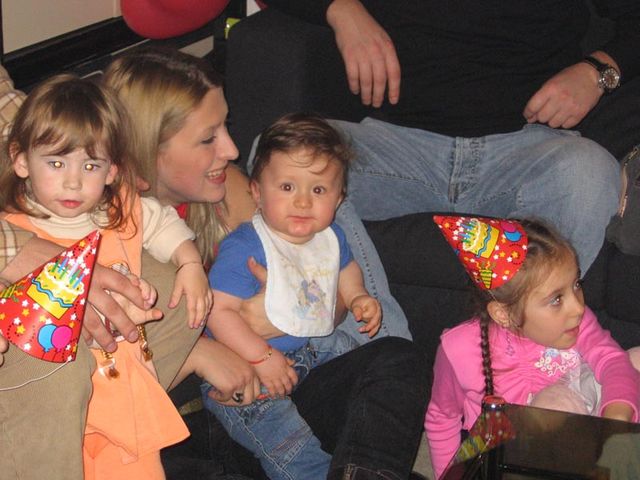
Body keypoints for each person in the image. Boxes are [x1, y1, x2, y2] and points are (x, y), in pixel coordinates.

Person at [103, 46, 429, 480]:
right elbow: (101, 392)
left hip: (287, 380)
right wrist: (201, 353)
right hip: (190, 428)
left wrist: (291, 310)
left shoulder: (233, 191)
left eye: (226, 126)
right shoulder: (103, 239)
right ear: (147, 149)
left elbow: (330, 289)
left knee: (398, 360)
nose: (231, 149)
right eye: (208, 138)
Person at [259, 0, 638, 276]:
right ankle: (374, 343)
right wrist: (341, 8)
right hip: (394, 148)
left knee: (588, 174)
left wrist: (597, 71)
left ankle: (528, 348)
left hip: (527, 149)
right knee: (277, 158)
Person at [0, 74, 216, 479]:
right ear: (21, 161)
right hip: (68, 402)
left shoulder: (118, 212)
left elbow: (162, 223)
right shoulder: (15, 228)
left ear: (112, 170)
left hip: (127, 393)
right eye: (56, 163)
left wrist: (190, 263)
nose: (73, 181)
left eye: (90, 165)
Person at [204, 112, 382, 479]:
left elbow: (345, 268)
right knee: (285, 437)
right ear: (257, 192)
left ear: (339, 198)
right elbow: (218, 312)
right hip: (243, 365)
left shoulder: (330, 238)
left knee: (366, 363)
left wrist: (358, 296)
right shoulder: (246, 246)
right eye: (287, 187)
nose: (303, 202)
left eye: (318, 191)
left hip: (313, 346)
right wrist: (261, 355)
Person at [424, 215, 640, 478]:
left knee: (635, 361)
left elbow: (613, 362)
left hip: (583, 427)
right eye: (556, 299)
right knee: (554, 407)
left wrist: (616, 421)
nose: (578, 307)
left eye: (576, 285)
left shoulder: (575, 321)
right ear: (503, 314)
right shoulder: (458, 349)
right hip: (507, 453)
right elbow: (441, 418)